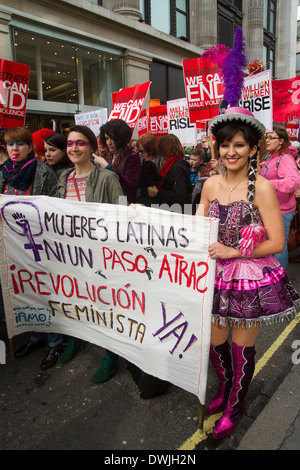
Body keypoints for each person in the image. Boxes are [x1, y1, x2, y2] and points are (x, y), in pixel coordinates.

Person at [196, 107, 300, 440]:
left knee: (241, 350)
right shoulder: (210, 184)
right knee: (215, 344)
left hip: (248, 277)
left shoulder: (264, 189)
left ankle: (234, 408)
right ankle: (225, 390)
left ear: (253, 149)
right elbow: (199, 228)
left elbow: (277, 242)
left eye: (239, 145)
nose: (230, 152)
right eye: (225, 145)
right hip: (213, 275)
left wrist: (235, 251)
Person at [56, 125, 124, 385]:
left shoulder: (107, 178)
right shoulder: (63, 178)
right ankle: (76, 340)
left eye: (80, 143)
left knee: (105, 303)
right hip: (70, 255)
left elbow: (121, 217)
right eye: (70, 143)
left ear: (92, 148)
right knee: (74, 299)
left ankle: (111, 355)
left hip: (100, 256)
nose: (74, 148)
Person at [0, 127, 62, 370]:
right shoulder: (3, 172)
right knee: (24, 290)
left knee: (44, 291)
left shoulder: (44, 172)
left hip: (39, 246)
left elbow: (54, 209)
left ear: (29, 147)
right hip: (12, 246)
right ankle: (35, 336)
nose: (14, 149)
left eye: (19, 144)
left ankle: (55, 342)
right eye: (9, 144)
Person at [259, 125, 300, 269]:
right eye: (266, 137)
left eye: (272, 138)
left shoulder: (285, 158)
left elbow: (293, 182)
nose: (267, 141)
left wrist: (268, 184)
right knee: (270, 244)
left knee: (279, 246)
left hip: (281, 210)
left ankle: (280, 278)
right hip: (270, 208)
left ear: (281, 141)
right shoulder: (271, 157)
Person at [97, 119, 141, 203]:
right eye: (107, 138)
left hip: (124, 204)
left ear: (121, 138)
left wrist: (108, 167)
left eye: (112, 138)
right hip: (106, 202)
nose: (109, 142)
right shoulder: (107, 156)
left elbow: (129, 187)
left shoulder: (132, 157)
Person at [147, 134, 192, 211]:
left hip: (176, 211)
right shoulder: (176, 164)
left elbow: (179, 194)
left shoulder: (176, 167)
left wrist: (158, 193)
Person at [136, 133, 162, 206]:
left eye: (142, 151)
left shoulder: (161, 160)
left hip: (158, 200)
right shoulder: (141, 161)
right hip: (143, 199)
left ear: (150, 149)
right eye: (139, 151)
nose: (140, 154)